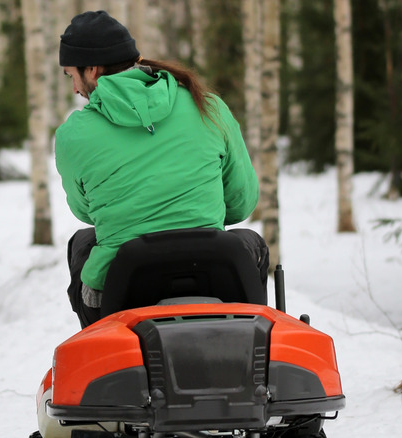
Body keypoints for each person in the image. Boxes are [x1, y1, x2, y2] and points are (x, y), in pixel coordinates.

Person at [55, 10, 269, 328]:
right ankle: (250, 337)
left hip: (121, 293)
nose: (74, 88)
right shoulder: (207, 105)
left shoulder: (72, 134)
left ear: (92, 69)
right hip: (217, 276)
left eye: (71, 75)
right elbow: (241, 203)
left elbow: (86, 211)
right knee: (250, 242)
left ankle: (101, 346)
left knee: (84, 242)